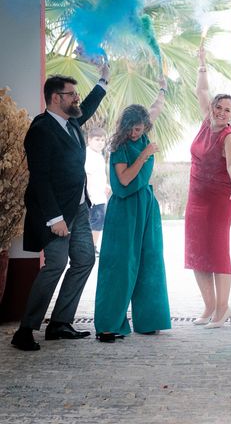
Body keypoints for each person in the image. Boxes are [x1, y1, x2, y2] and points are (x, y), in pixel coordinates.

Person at [11, 64, 109, 351]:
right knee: (55, 264)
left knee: (85, 260)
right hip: (54, 213)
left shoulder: (71, 123)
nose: (76, 99)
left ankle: (59, 324)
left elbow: (87, 107)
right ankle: (25, 330)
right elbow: (40, 179)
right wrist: (55, 218)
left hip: (78, 209)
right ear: (56, 98)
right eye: (71, 95)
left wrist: (103, 80)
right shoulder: (41, 129)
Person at [93, 80, 171, 343]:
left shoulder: (144, 132)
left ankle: (149, 321)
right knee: (120, 265)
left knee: (150, 261)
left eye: (141, 128)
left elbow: (155, 109)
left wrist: (162, 89)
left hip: (146, 204)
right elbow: (124, 179)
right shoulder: (119, 147)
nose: (137, 132)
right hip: (125, 208)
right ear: (125, 127)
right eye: (134, 129)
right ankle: (107, 325)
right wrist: (145, 155)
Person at [186, 47, 231, 328]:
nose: (222, 113)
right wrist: (201, 63)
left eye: (228, 110)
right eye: (219, 107)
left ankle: (223, 310)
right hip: (195, 196)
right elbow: (201, 91)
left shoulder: (228, 135)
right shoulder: (204, 121)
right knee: (197, 253)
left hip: (220, 198)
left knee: (218, 252)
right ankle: (209, 306)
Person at [84, 127, 110, 256]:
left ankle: (92, 247)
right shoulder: (87, 155)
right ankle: (90, 248)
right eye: (97, 139)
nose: (100, 142)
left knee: (98, 222)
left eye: (102, 140)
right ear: (89, 140)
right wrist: (90, 196)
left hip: (99, 196)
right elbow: (86, 176)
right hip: (91, 197)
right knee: (94, 222)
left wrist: (105, 185)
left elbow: (99, 175)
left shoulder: (99, 156)